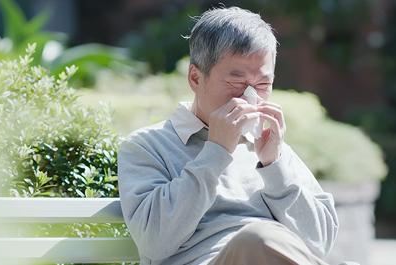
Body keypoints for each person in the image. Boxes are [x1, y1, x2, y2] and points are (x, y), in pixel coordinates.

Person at [118, 6, 339, 265]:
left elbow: (320, 244)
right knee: (257, 239)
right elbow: (154, 242)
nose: (250, 96)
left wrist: (275, 167)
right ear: (195, 78)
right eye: (237, 81)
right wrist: (216, 152)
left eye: (263, 84)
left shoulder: (271, 149)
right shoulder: (146, 146)